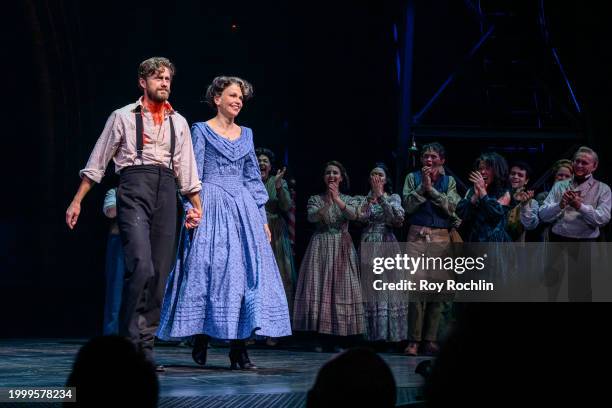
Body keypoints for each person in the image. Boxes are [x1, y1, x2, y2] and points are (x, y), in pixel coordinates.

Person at [65, 57, 202, 371]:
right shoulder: (122, 117)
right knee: (140, 265)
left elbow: (188, 170)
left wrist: (197, 207)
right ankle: (127, 344)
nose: (164, 83)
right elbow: (97, 161)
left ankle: (145, 347)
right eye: (158, 78)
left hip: (167, 189)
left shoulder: (178, 122)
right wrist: (77, 201)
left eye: (168, 78)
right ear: (143, 82)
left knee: (160, 272)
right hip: (133, 186)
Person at [157, 76, 291, 369]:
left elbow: (252, 178)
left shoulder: (247, 134)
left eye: (241, 98)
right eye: (232, 95)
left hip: (243, 209)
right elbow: (192, 175)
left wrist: (261, 218)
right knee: (212, 273)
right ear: (217, 99)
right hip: (212, 206)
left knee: (244, 276)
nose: (238, 101)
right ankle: (203, 335)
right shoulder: (202, 131)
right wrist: (193, 210)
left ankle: (238, 349)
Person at [293, 161, 365, 349]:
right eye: (328, 173)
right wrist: (328, 202)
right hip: (320, 245)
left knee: (341, 290)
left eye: (335, 173)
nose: (331, 176)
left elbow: (354, 215)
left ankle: (339, 337)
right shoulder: (315, 199)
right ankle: (319, 336)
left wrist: (337, 199)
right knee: (318, 287)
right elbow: (311, 217)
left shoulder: (350, 199)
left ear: (341, 177)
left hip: (342, 245)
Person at [402, 143, 461, 356]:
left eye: (433, 156)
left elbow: (452, 206)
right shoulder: (412, 178)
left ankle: (431, 338)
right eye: (425, 156)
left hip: (440, 235)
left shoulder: (449, 181)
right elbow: (407, 205)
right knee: (415, 289)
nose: (428, 160)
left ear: (442, 160)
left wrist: (432, 190)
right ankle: (414, 340)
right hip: (417, 233)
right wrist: (422, 187)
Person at [539, 146, 611, 301]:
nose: (579, 165)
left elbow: (603, 219)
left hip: (584, 243)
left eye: (584, 163)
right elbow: (543, 215)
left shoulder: (603, 189)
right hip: (558, 240)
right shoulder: (560, 185)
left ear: (594, 166)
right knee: (552, 289)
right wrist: (560, 204)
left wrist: (580, 207)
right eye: (577, 161)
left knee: (580, 291)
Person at [353, 163, 407, 344]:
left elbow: (397, 220)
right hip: (369, 243)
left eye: (380, 175)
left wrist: (381, 196)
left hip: (387, 244)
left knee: (387, 289)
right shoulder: (363, 199)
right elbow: (359, 218)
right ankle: (371, 336)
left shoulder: (393, 198)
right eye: (373, 174)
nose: (376, 178)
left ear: (386, 180)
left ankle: (389, 337)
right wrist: (370, 200)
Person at [256, 147, 297, 322]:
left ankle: (277, 327)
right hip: (255, 231)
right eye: (258, 160)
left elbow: (287, 206)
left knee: (280, 277)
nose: (261, 163)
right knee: (256, 280)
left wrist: (280, 186)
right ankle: (253, 330)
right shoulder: (249, 181)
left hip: (275, 233)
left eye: (265, 161)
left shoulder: (277, 181)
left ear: (271, 166)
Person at [456, 152, 512, 243]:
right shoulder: (472, 190)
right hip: (473, 241)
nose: (482, 172)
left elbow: (495, 213)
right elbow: (461, 213)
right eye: (480, 169)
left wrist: (482, 192)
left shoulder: (505, 193)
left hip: (494, 244)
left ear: (496, 171)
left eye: (487, 168)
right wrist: (476, 195)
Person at [102, 187, 125, 335]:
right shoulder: (115, 192)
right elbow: (110, 211)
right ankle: (111, 333)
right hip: (120, 242)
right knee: (115, 290)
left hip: (144, 242)